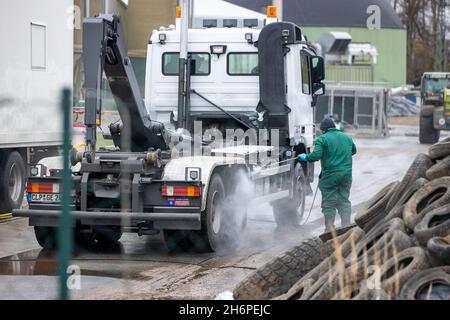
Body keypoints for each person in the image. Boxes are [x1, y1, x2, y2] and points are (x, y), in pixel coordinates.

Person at [298, 117, 357, 232]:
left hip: (330, 176)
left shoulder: (322, 139)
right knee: (343, 200)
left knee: (329, 201)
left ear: (324, 130)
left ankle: (329, 229)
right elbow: (353, 151)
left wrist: (306, 157)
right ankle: (346, 226)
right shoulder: (347, 138)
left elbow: (315, 156)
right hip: (346, 175)